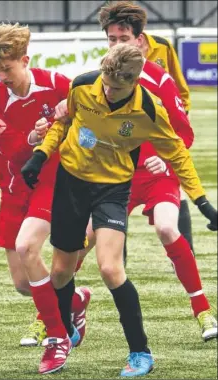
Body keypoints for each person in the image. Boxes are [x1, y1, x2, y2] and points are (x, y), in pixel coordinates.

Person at [21, 44, 217, 377]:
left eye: (117, 88)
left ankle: (140, 352)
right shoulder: (83, 85)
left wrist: (203, 203)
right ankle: (67, 328)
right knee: (60, 273)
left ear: (135, 82)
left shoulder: (149, 110)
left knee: (111, 269)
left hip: (113, 188)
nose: (108, 92)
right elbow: (62, 120)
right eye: (106, 84)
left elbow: (179, 155)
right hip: (71, 183)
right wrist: (40, 155)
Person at [0, 22, 92, 373]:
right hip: (14, 189)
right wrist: (32, 136)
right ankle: (74, 301)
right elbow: (12, 151)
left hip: (52, 179)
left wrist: (71, 128)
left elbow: (87, 122)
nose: (2, 76)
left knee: (29, 247)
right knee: (24, 285)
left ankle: (57, 338)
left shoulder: (58, 84)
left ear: (25, 60)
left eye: (8, 69)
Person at [98, 0, 195, 255]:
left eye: (124, 38)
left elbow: (178, 84)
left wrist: (178, 115)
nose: (118, 44)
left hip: (159, 140)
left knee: (174, 195)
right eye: (112, 39)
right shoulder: (103, 74)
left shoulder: (160, 52)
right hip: (122, 156)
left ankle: (185, 255)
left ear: (139, 39)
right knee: (113, 214)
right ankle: (119, 269)